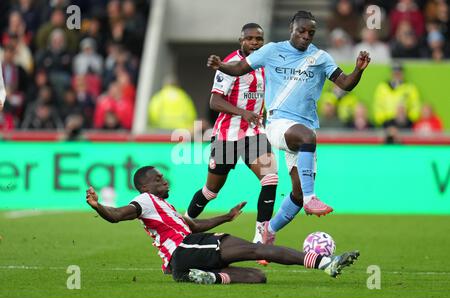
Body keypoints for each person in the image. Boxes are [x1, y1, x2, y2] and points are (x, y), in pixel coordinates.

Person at [207, 11, 370, 243]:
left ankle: (268, 232)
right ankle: (311, 198)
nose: (306, 36)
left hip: (303, 129)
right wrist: (221, 65)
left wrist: (358, 70)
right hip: (278, 123)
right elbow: (239, 69)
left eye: (311, 33)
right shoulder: (272, 50)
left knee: (297, 191)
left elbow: (345, 83)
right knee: (306, 140)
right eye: (301, 31)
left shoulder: (321, 57)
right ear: (291, 29)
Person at [85, 166, 360, 284]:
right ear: (145, 185)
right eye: (159, 179)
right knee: (257, 249)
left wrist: (226, 217)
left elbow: (193, 226)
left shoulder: (164, 207)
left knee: (257, 277)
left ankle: (206, 277)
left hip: (185, 258)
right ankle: (325, 264)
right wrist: (98, 207)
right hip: (182, 251)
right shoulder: (144, 200)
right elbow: (119, 214)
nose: (165, 181)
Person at [186, 23, 278, 265]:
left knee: (270, 179)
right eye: (250, 39)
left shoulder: (266, 63)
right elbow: (214, 101)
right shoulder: (229, 65)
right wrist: (242, 112)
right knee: (210, 192)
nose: (255, 42)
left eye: (259, 38)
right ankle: (184, 223)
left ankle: (260, 237)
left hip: (255, 133)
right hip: (227, 135)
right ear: (241, 40)